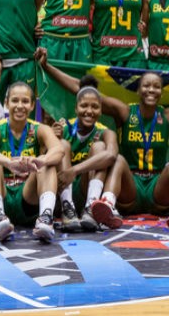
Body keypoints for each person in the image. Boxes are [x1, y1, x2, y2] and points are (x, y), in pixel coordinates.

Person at [37, 52, 169, 231]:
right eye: (146, 86)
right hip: (130, 186)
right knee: (117, 159)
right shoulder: (125, 111)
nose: (151, 90)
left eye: (156, 87)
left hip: (157, 188)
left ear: (161, 92)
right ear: (138, 90)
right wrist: (47, 66)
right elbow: (80, 90)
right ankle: (107, 204)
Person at [0, 82, 64, 242]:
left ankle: (45, 219)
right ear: (6, 103)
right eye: (15, 101)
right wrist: (8, 162)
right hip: (0, 193)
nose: (20, 106)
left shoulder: (41, 129)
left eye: (25, 101)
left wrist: (40, 160)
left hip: (27, 197)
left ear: (32, 106)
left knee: (46, 164)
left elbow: (59, 150)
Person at [53, 76, 118, 232]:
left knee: (100, 147)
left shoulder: (105, 132)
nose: (89, 111)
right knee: (61, 144)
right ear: (76, 108)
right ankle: (67, 209)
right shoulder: (62, 127)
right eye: (84, 106)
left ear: (101, 110)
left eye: (95, 107)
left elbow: (111, 156)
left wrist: (74, 171)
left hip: (84, 186)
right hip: (61, 189)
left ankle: (91, 207)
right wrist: (52, 138)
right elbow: (42, 159)